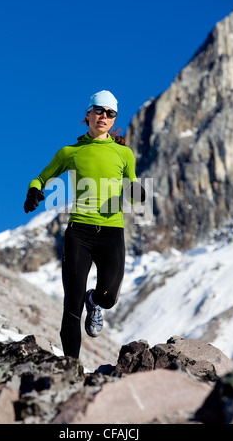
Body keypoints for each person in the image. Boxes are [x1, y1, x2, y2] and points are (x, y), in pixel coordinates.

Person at [24, 90, 145, 359]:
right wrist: (34, 190)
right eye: (98, 111)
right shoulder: (70, 152)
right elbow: (41, 177)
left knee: (108, 297)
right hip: (79, 233)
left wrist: (137, 191)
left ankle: (95, 301)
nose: (103, 116)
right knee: (72, 305)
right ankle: (71, 369)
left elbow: (133, 182)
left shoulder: (124, 154)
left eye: (110, 113)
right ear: (88, 115)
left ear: (114, 120)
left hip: (112, 232)